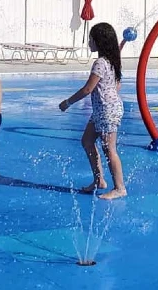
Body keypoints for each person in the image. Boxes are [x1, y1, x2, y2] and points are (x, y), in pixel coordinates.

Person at [59, 22, 126, 200]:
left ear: (99, 42)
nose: (89, 42)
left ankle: (120, 188)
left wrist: (68, 102)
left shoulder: (100, 63)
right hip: (103, 109)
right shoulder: (112, 61)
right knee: (87, 141)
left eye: (91, 39)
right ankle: (99, 180)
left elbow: (88, 89)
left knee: (109, 149)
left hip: (106, 110)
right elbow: (116, 86)